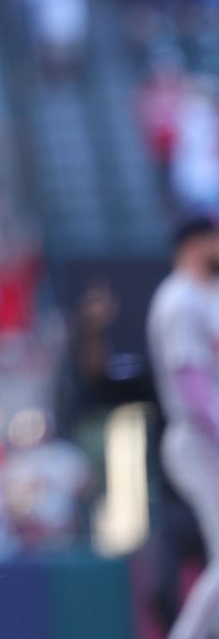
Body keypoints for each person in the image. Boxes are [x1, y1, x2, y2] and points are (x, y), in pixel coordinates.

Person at [148, 216, 219, 639]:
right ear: (196, 244)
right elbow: (190, 381)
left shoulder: (207, 294)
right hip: (196, 437)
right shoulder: (177, 300)